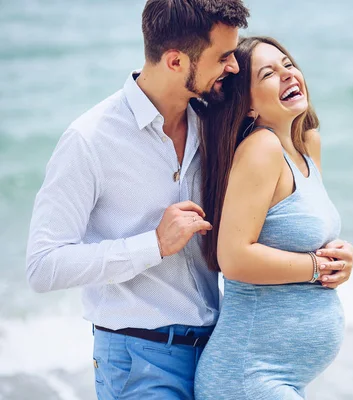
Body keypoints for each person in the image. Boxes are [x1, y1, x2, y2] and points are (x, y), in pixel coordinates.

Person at [25, 1, 249, 398]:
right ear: (176, 61)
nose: (233, 67)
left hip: (218, 355)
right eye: (223, 57)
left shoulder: (214, 124)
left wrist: (320, 256)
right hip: (138, 360)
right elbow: (44, 266)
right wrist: (154, 245)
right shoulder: (89, 140)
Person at [193, 36, 353, 400]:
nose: (287, 74)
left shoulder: (306, 146)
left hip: (279, 378)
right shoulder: (261, 148)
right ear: (248, 106)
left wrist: (345, 258)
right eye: (269, 73)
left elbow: (306, 235)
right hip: (246, 377)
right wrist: (316, 267)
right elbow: (234, 259)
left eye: (287, 64)